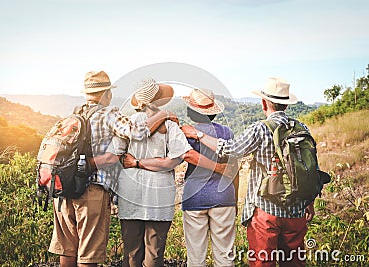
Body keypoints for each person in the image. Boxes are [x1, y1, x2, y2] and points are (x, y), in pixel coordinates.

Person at [48, 71, 178, 267]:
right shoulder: (109, 114)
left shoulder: (74, 114)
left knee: (67, 250)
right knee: (88, 253)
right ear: (106, 93)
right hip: (91, 189)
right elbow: (138, 132)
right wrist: (164, 114)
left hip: (63, 189)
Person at [181, 77, 316, 267]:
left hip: (265, 210)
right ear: (286, 105)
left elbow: (230, 150)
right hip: (296, 209)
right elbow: (310, 168)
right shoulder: (302, 128)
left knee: (262, 262)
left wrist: (198, 134)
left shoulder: (260, 129)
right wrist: (309, 201)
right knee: (293, 263)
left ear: (263, 102)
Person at [97, 78, 231, 267]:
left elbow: (114, 155)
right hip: (159, 195)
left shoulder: (128, 124)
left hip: (130, 192)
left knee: (131, 252)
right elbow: (175, 160)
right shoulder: (170, 125)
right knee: (154, 252)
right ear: (159, 99)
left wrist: (133, 162)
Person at [181, 88, 238, 267]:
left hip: (194, 197)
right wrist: (234, 198)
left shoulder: (186, 132)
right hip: (224, 196)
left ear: (191, 111)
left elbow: (184, 157)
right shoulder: (227, 133)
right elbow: (234, 167)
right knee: (225, 255)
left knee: (196, 257)